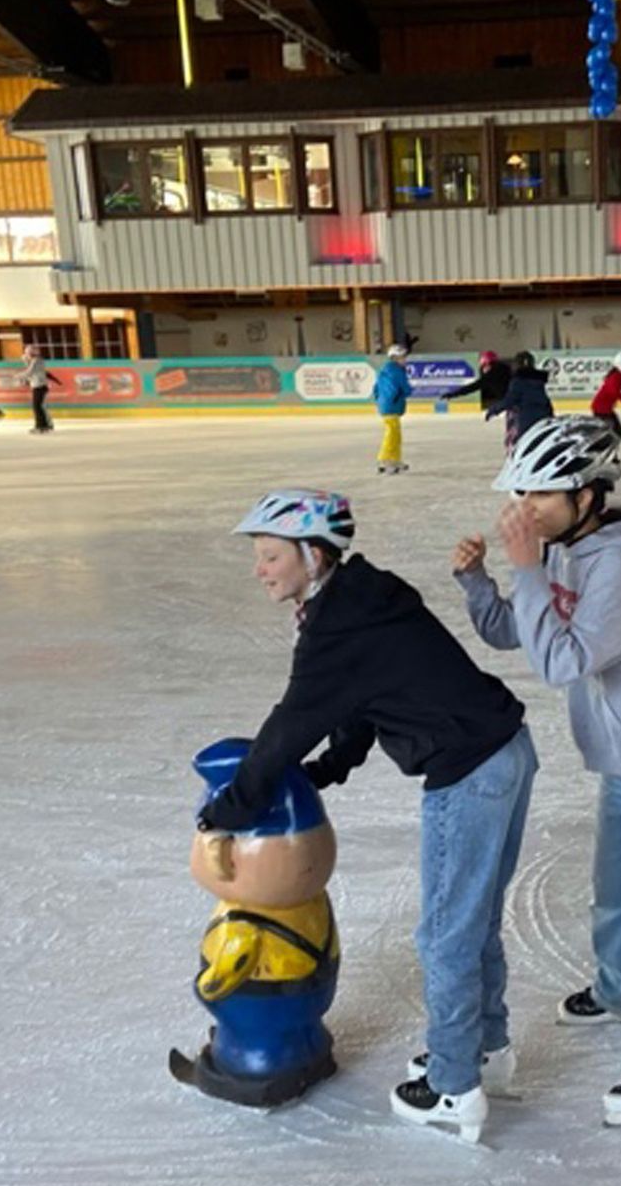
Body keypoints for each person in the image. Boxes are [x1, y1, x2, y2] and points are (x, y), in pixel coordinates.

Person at [197, 490, 535, 1146]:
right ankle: (483, 1049)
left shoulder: (337, 626)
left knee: (445, 934)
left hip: (469, 772)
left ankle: (453, 1086)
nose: (259, 569)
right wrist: (332, 766)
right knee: (473, 921)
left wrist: (226, 812)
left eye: (270, 556)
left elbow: (288, 725)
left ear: (313, 554)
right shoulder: (363, 598)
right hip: (506, 752)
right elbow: (363, 700)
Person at [453, 417, 621, 1126]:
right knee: (615, 892)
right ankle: (619, 987)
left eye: (540, 492)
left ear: (587, 491)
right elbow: (521, 629)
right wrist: (479, 582)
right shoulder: (572, 550)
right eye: (522, 492)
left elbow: (563, 661)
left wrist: (524, 565)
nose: (525, 507)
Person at [484, 351, 554, 451]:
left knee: (525, 447)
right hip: (544, 418)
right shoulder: (538, 382)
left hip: (527, 421)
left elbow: (509, 401)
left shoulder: (518, 381)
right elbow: (545, 402)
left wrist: (493, 410)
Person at [374, 343, 411, 475]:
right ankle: (384, 459)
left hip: (386, 405)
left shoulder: (384, 371)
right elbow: (405, 388)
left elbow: (375, 389)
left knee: (395, 435)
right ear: (395, 358)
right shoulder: (397, 371)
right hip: (392, 405)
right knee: (391, 434)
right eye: (402, 357)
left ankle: (395, 459)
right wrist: (405, 393)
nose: (405, 360)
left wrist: (380, 401)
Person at [588, 352, 621, 439]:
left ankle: (608, 449)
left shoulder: (619, 375)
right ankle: (603, 449)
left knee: (616, 431)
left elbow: (613, 393)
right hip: (601, 409)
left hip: (605, 408)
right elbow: (614, 392)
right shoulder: (616, 376)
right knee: (612, 432)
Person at [442, 350, 511, 414]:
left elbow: (473, 387)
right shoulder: (506, 370)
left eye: (482, 366)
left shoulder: (490, 376)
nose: (482, 370)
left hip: (512, 404)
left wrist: (453, 394)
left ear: (487, 364)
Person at [16, 345, 56, 434]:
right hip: (38, 386)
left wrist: (18, 375)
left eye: (27, 353)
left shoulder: (36, 361)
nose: (26, 356)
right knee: (39, 407)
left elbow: (29, 372)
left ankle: (40, 426)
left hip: (40, 386)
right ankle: (45, 425)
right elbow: (30, 373)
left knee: (37, 407)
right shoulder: (35, 361)